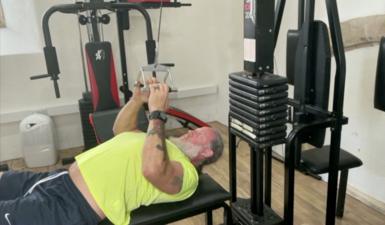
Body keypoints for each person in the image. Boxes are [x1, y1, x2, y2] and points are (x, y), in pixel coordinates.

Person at [0, 79, 224, 225]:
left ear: (205, 153)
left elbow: (152, 170)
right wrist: (137, 100)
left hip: (70, 206)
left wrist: (157, 113)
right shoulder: (160, 142)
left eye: (198, 134)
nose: (189, 132)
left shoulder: (188, 176)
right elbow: (120, 130)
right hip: (57, 178)